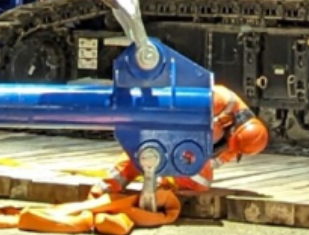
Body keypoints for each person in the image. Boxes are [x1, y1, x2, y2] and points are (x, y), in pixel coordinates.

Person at [98, 83, 268, 195]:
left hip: (189, 145)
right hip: (167, 125)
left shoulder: (238, 142)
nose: (231, 150)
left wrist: (197, 159)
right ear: (234, 126)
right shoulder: (220, 100)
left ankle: (165, 185)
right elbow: (180, 112)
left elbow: (219, 159)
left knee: (201, 182)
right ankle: (109, 186)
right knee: (145, 150)